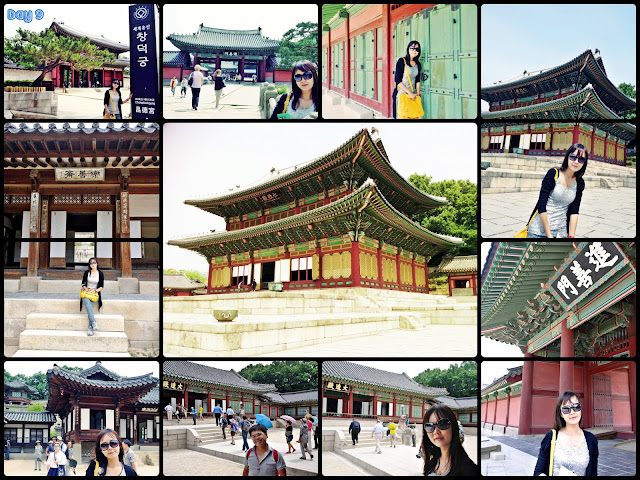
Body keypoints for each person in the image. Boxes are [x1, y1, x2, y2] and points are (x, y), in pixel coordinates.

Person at [527, 144, 588, 238]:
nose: (576, 162)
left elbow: (574, 211)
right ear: (567, 157)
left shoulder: (579, 182)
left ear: (584, 163)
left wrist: (571, 235)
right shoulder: (553, 174)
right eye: (573, 157)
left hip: (561, 233)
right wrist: (549, 235)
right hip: (539, 232)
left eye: (581, 159)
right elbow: (541, 204)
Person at [534, 391, 598, 476]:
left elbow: (593, 473)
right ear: (561, 414)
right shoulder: (551, 437)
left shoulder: (591, 439)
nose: (572, 412)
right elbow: (538, 472)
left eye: (576, 407)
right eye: (566, 409)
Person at [421, 404, 476, 476]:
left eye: (442, 424)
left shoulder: (468, 469)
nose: (436, 432)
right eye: (429, 426)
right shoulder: (432, 462)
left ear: (453, 427)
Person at [394, 40, 423, 119]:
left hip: (413, 96)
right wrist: (409, 92)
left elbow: (417, 81)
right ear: (408, 49)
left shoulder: (418, 64)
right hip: (403, 94)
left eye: (417, 49)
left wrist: (418, 95)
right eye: (412, 48)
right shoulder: (401, 61)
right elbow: (397, 80)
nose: (414, 50)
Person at [81, 257, 104, 336]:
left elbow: (101, 287)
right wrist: (86, 289)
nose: (93, 264)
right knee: (87, 302)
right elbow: (83, 284)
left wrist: (95, 291)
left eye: (94, 262)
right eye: (91, 263)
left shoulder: (100, 273)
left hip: (95, 294)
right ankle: (93, 323)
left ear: (97, 263)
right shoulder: (86, 272)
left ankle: (90, 328)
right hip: (86, 293)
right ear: (89, 265)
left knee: (89, 307)